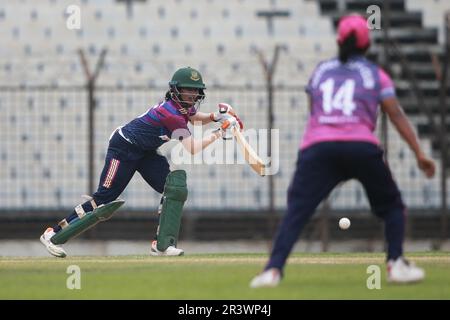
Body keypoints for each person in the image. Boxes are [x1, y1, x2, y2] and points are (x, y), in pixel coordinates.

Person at [250, 15, 436, 287]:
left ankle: (272, 271)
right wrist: (419, 153)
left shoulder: (321, 70)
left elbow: (315, 107)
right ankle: (396, 264)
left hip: (318, 147)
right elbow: (395, 113)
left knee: (297, 211)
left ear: (339, 41)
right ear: (366, 44)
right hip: (361, 146)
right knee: (392, 206)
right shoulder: (376, 74)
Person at [39, 66, 242, 258]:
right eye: (187, 90)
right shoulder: (171, 114)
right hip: (123, 148)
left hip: (145, 152)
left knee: (174, 189)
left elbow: (196, 117)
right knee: (104, 197)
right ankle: (52, 234)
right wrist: (220, 131)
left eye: (195, 91)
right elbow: (193, 148)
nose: (192, 95)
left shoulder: (181, 109)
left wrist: (217, 116)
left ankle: (162, 245)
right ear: (175, 90)